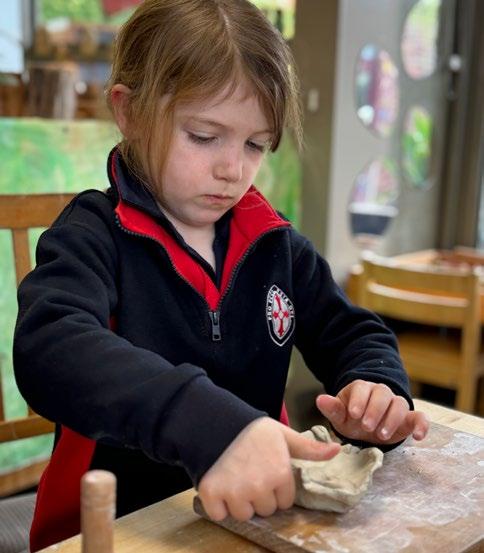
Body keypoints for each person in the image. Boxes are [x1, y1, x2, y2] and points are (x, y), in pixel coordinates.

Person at [13, 1, 429, 551]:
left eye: (255, 144)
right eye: (204, 136)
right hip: (112, 528)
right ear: (129, 112)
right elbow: (50, 347)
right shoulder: (93, 235)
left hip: (256, 517)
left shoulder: (274, 242)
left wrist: (376, 386)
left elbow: (353, 330)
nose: (233, 169)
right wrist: (208, 425)